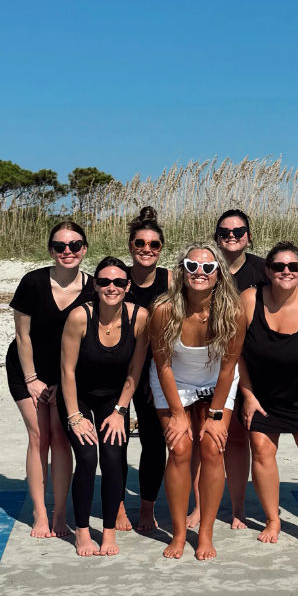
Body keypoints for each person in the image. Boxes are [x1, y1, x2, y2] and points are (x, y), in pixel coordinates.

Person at [149, 243, 245, 560]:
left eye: (207, 267)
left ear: (219, 274)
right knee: (179, 448)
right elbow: (162, 364)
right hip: (172, 381)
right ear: (182, 271)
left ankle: (205, 534)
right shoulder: (164, 309)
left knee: (212, 447)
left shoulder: (232, 311)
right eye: (192, 266)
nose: (199, 273)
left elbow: (229, 367)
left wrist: (216, 414)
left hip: (216, 380)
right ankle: (178, 534)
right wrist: (178, 413)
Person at [238, 242, 298, 550]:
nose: (286, 272)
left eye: (293, 267)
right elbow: (235, 352)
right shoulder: (250, 299)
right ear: (268, 270)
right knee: (262, 450)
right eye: (279, 266)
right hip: (262, 394)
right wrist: (248, 394)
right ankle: (273, 519)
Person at [5, 221, 93, 538]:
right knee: (39, 436)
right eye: (59, 246)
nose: (67, 251)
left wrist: (61, 381)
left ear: (84, 249)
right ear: (51, 250)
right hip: (25, 369)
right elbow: (21, 335)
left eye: (74, 245)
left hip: (65, 375)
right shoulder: (32, 282)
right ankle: (40, 513)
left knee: (60, 436)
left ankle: (59, 513)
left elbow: (90, 341)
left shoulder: (93, 287)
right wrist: (31, 379)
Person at [59, 257, 149, 556]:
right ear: (95, 285)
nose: (112, 287)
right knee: (86, 457)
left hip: (114, 397)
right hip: (77, 397)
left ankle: (108, 531)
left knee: (112, 456)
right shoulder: (79, 317)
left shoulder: (139, 317)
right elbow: (67, 371)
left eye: (119, 282)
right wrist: (75, 417)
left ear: (128, 286)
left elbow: (135, 369)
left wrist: (121, 411)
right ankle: (83, 532)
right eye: (105, 282)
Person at [209, 209, 270, 530]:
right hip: (209, 365)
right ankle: (202, 506)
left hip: (250, 367)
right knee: (206, 440)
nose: (231, 236)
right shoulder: (205, 267)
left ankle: (237, 508)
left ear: (248, 234)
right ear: (216, 235)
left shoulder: (263, 270)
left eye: (238, 231)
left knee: (240, 438)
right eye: (225, 231)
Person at [123, 206, 171, 532]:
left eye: (153, 245)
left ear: (161, 249)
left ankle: (146, 509)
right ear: (131, 245)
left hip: (157, 370)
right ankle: (115, 507)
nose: (147, 250)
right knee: (116, 442)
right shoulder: (116, 280)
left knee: (154, 442)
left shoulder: (172, 280)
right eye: (140, 243)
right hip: (120, 370)